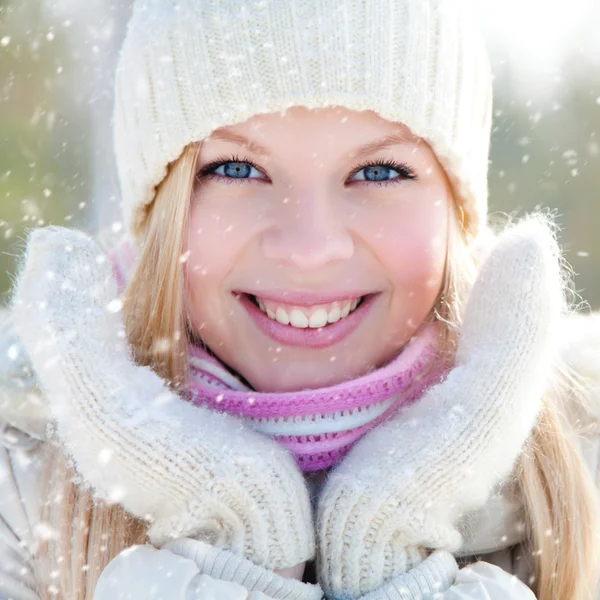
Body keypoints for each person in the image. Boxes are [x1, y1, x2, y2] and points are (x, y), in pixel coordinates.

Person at [1, 0, 600, 598]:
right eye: (236, 168)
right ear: (163, 212)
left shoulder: (586, 465)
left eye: (380, 172)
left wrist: (392, 524)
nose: (309, 248)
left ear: (454, 211)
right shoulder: (23, 498)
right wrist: (231, 520)